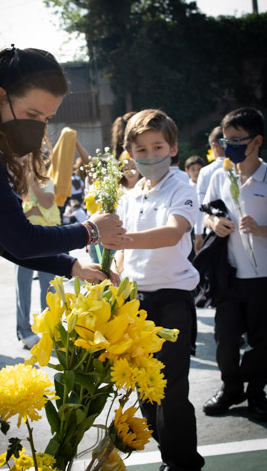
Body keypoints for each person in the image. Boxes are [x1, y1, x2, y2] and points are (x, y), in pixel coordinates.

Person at [0, 46, 128, 463]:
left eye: (47, 119)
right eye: (32, 115)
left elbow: (6, 239)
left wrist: (71, 265)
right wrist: (90, 230)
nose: (39, 126)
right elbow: (22, 238)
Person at [112, 109, 205, 471]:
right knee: (145, 391)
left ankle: (183, 463)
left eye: (157, 147)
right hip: (137, 304)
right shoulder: (131, 193)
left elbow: (172, 233)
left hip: (172, 302)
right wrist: (114, 274)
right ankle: (170, 449)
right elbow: (121, 256)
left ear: (174, 148)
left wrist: (121, 239)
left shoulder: (182, 186)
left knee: (170, 390)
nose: (150, 156)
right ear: (129, 153)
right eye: (142, 150)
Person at [202, 107, 267, 421]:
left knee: (261, 341)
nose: (229, 147)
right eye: (225, 140)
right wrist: (213, 222)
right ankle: (230, 389)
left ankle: (255, 392)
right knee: (225, 338)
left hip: (262, 276)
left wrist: (261, 229)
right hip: (227, 274)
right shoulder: (219, 174)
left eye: (236, 140)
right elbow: (206, 212)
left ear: (257, 141)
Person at [16, 171, 61, 349]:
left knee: (48, 287)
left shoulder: (47, 181)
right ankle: (25, 332)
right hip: (21, 241)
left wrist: (32, 182)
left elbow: (47, 202)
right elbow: (10, 215)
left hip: (46, 240)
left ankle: (49, 332)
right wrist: (30, 212)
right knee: (23, 286)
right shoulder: (14, 181)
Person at [194, 126, 225, 253]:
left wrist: (198, 234)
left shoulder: (206, 171)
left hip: (213, 231)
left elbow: (202, 206)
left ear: (214, 146)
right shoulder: (243, 167)